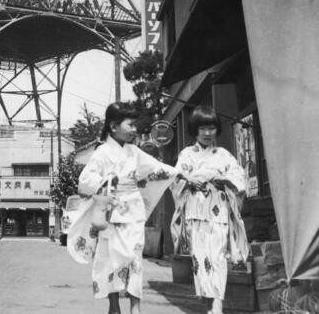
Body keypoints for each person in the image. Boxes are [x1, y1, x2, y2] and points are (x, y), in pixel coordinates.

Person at [67, 102, 177, 314]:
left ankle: (135, 307)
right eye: (131, 124)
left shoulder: (135, 152)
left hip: (133, 212)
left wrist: (178, 172)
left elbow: (155, 168)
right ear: (113, 126)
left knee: (134, 258)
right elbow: (85, 180)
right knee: (111, 258)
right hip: (111, 213)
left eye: (136, 125)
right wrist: (108, 181)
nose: (135, 129)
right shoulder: (101, 153)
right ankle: (114, 306)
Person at [170, 105, 249, 314]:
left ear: (217, 130)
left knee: (218, 257)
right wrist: (190, 180)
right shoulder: (187, 155)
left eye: (211, 128)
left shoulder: (223, 155)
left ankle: (217, 304)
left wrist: (223, 179)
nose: (207, 133)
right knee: (200, 258)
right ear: (195, 130)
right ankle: (208, 300)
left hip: (218, 213)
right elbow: (176, 179)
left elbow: (239, 178)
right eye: (203, 128)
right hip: (195, 213)